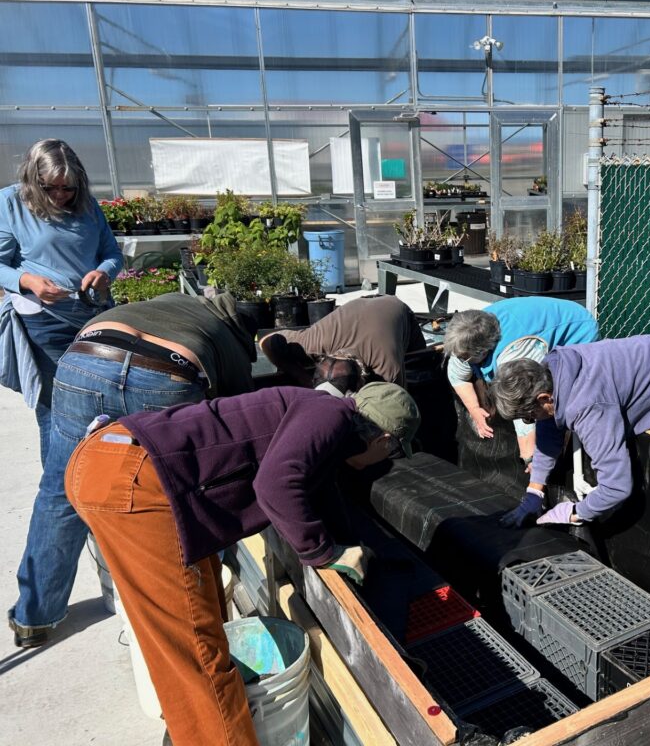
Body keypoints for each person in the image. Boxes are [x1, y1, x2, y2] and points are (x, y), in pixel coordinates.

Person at [65, 382, 420, 746]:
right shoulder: (330, 415)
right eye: (394, 452)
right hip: (136, 483)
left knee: (204, 624)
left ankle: (193, 728)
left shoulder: (320, 417)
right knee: (198, 657)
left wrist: (344, 548)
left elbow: (322, 497)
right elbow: (277, 487)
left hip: (119, 464)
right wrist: (324, 554)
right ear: (385, 440)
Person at [8, 291, 257, 647]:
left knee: (61, 489)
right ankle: (185, 611)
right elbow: (238, 417)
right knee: (179, 496)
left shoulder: (171, 303)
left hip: (86, 362)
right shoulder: (226, 336)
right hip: (165, 377)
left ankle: (34, 617)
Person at [0, 139, 123, 642]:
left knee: (92, 448)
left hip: (90, 319)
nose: (63, 197)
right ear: (34, 182)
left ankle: (83, 580)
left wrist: (102, 272)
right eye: (52, 190)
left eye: (70, 189)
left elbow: (111, 252)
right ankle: (37, 607)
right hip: (44, 328)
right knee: (66, 464)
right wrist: (28, 279)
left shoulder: (88, 206)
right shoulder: (10, 201)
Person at [491, 334, 650, 527]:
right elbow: (548, 427)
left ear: (544, 398)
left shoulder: (588, 406)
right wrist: (534, 491)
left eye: (528, 416)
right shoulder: (552, 371)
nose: (529, 422)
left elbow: (617, 487)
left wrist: (576, 513)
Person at [443, 296, 599, 464]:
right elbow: (457, 375)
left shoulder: (514, 351)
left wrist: (528, 457)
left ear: (482, 351)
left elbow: (525, 402)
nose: (461, 359)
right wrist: (474, 410)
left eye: (465, 357)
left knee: (553, 400)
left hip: (577, 331)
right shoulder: (468, 331)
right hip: (533, 324)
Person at [259, 294, 425, 388]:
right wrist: (304, 379)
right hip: (359, 306)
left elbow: (398, 410)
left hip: (395, 307)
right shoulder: (313, 342)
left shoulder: (388, 367)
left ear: (360, 381)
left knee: (421, 366)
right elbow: (265, 341)